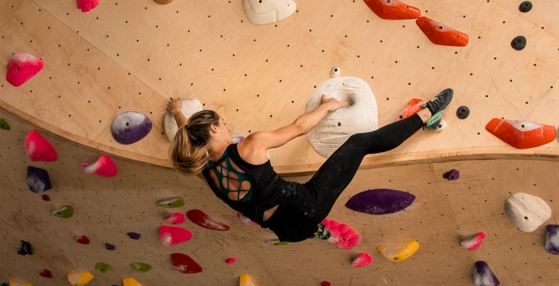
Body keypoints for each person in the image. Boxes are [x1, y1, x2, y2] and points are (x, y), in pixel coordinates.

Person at [167, 89, 453, 246]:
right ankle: (427, 113)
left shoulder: (203, 168)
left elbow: (189, 133)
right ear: (215, 128)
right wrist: (328, 105)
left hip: (288, 232)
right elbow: (299, 127)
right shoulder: (249, 146)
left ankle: (321, 233)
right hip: (305, 205)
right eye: (224, 124)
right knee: (358, 144)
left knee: (306, 227)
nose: (229, 128)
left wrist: (178, 112)